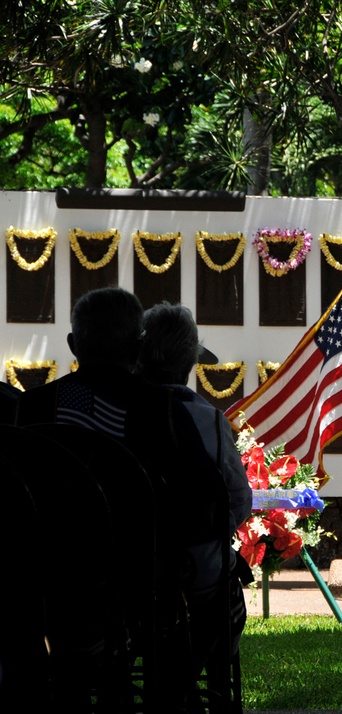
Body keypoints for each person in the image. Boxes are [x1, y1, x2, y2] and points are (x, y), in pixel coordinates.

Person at [14, 287, 229, 710]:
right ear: (139, 344)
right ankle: (171, 696)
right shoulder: (163, 407)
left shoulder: (33, 409)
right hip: (141, 589)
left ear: (74, 345)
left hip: (46, 587)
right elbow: (208, 505)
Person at [138, 302, 254, 667]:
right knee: (223, 615)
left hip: (125, 576)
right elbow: (238, 502)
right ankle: (181, 691)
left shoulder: (118, 413)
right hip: (197, 576)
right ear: (189, 365)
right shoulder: (209, 420)